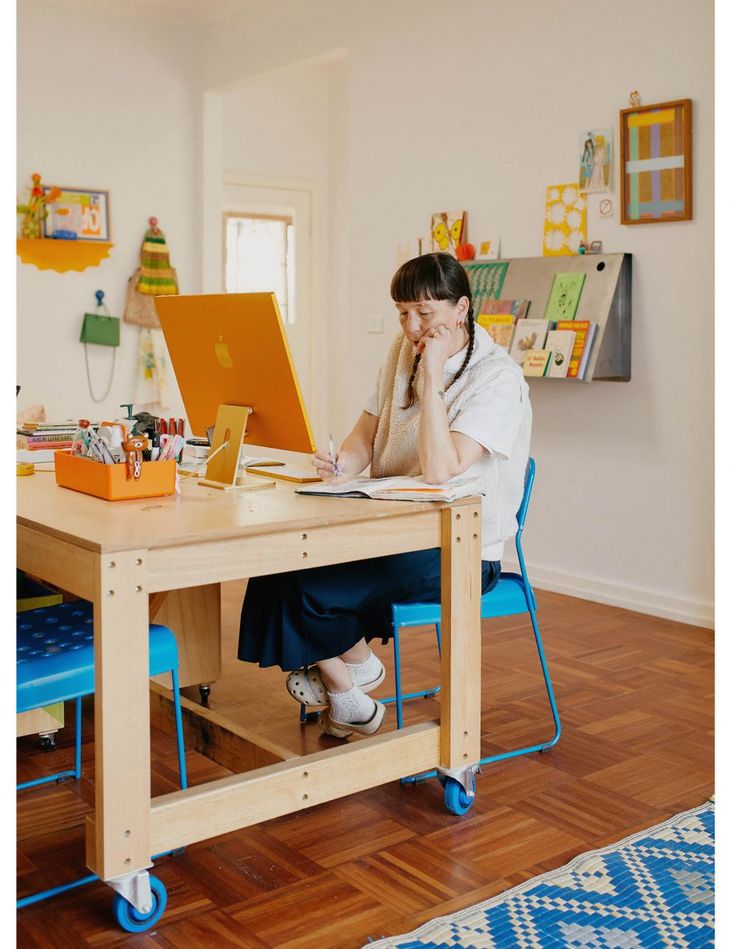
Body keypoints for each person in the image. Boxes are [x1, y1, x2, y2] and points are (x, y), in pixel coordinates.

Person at [238, 253, 532, 739]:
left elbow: (440, 470)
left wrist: (434, 374)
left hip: (460, 550)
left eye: (424, 313)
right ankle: (349, 683)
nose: (412, 327)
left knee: (305, 583)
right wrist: (343, 464)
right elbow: (365, 433)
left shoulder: (497, 378)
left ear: (461, 309)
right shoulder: (401, 352)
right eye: (402, 312)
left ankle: (348, 678)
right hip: (390, 526)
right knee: (276, 561)